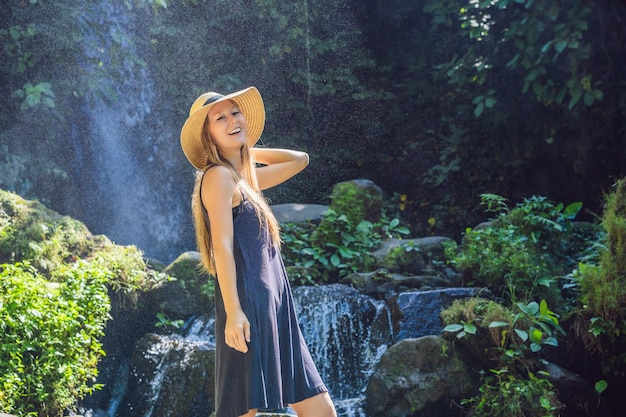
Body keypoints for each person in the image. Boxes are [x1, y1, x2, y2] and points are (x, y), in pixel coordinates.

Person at [180, 86, 337, 417]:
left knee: (321, 411)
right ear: (207, 135)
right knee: (242, 409)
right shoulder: (218, 177)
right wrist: (234, 313)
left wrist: (244, 150)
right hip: (249, 302)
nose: (232, 120)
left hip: (277, 304)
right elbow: (221, 247)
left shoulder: (243, 178)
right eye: (219, 118)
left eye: (235, 113)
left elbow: (299, 160)